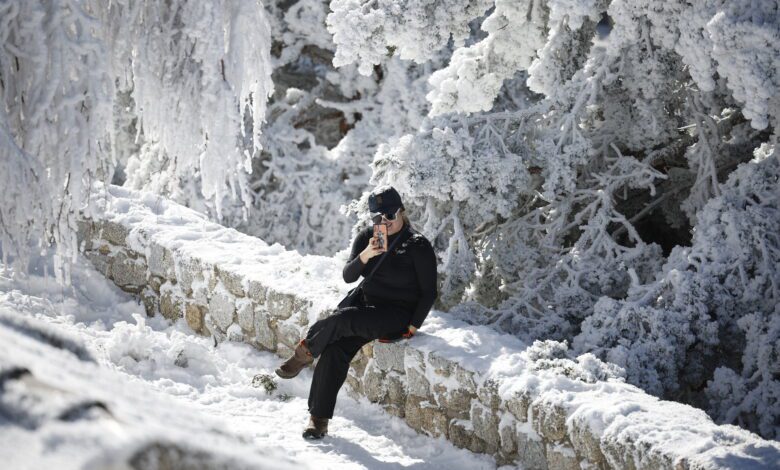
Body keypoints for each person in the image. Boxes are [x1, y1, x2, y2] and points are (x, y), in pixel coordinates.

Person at [274, 186, 438, 439]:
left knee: (342, 319)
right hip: (366, 306)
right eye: (378, 218)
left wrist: (413, 326)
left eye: (390, 216)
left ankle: (303, 353)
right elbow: (348, 277)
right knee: (334, 349)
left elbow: (428, 291)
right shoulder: (367, 238)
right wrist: (366, 254)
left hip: (396, 314)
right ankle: (318, 420)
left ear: (401, 211)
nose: (385, 222)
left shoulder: (418, 245)